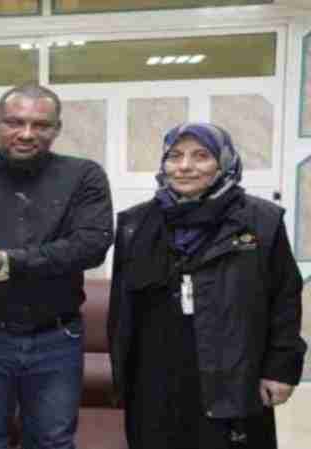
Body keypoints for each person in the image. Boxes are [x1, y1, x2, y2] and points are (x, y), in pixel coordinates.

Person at [0, 83, 114, 449]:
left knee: (52, 440)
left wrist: (6, 261)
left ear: (57, 128)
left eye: (41, 125)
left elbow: (91, 246)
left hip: (57, 336)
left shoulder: (84, 176)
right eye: (15, 122)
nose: (27, 134)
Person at [108, 122, 306, 449]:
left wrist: (281, 369)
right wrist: (122, 376)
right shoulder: (135, 223)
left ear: (224, 163)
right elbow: (122, 308)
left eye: (201, 156)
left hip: (233, 371)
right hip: (155, 375)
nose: (185, 166)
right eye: (175, 156)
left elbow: (284, 298)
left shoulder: (261, 220)